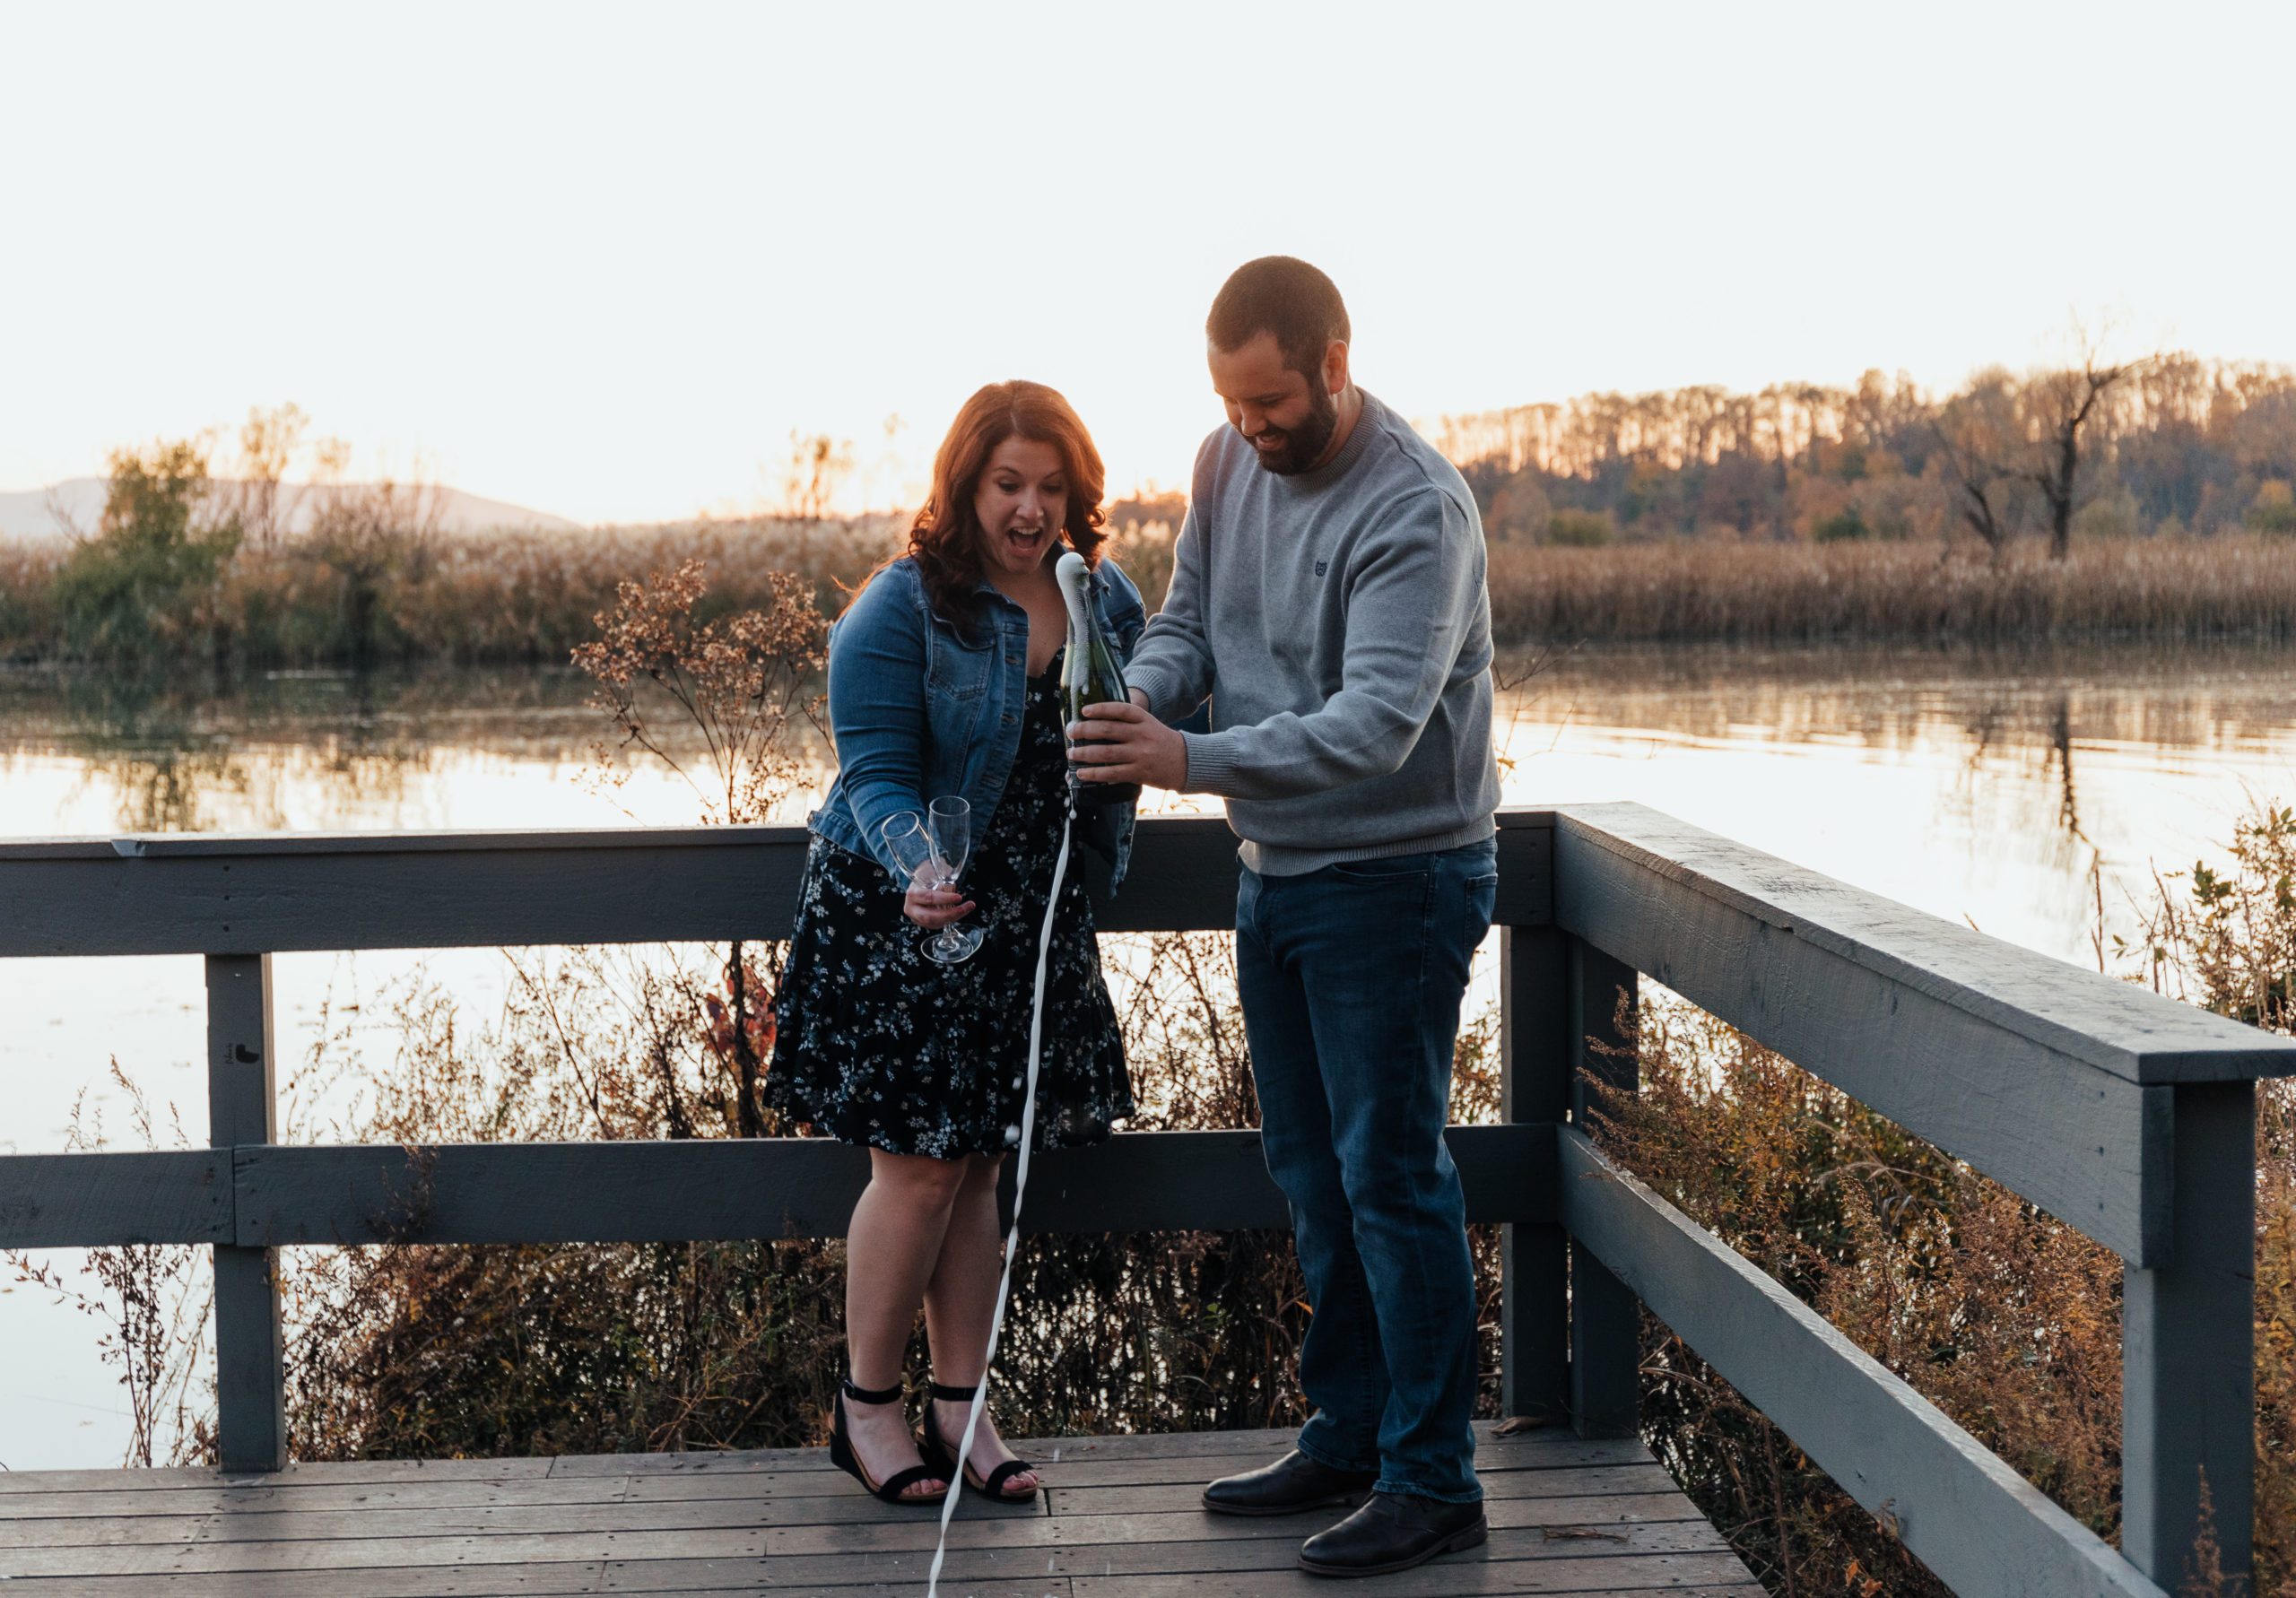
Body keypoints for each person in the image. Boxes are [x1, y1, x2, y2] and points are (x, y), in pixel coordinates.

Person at [1068, 256, 1500, 1577]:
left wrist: (1184, 762)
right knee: (1309, 1173)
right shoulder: (1221, 459)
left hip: (1402, 874)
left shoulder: (1415, 509)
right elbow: (1191, 623)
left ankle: (1435, 1482)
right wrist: (1133, 700)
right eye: (1232, 405)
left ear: (1334, 361)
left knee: (1392, 1176)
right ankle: (1350, 1430)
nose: (1253, 431)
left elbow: (1377, 727)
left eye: (1272, 404)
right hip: (1283, 871)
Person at [766, 379, 1143, 1507]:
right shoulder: (901, 607)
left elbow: (1150, 710)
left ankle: (961, 1408)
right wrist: (917, 865)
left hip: (1031, 920)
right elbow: (873, 773)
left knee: (980, 1162)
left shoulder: (1104, 598)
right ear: (964, 486)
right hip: (909, 918)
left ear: (1078, 494)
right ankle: (866, 1408)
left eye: (1049, 487)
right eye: (1006, 485)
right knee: (919, 1169)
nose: (1029, 510)